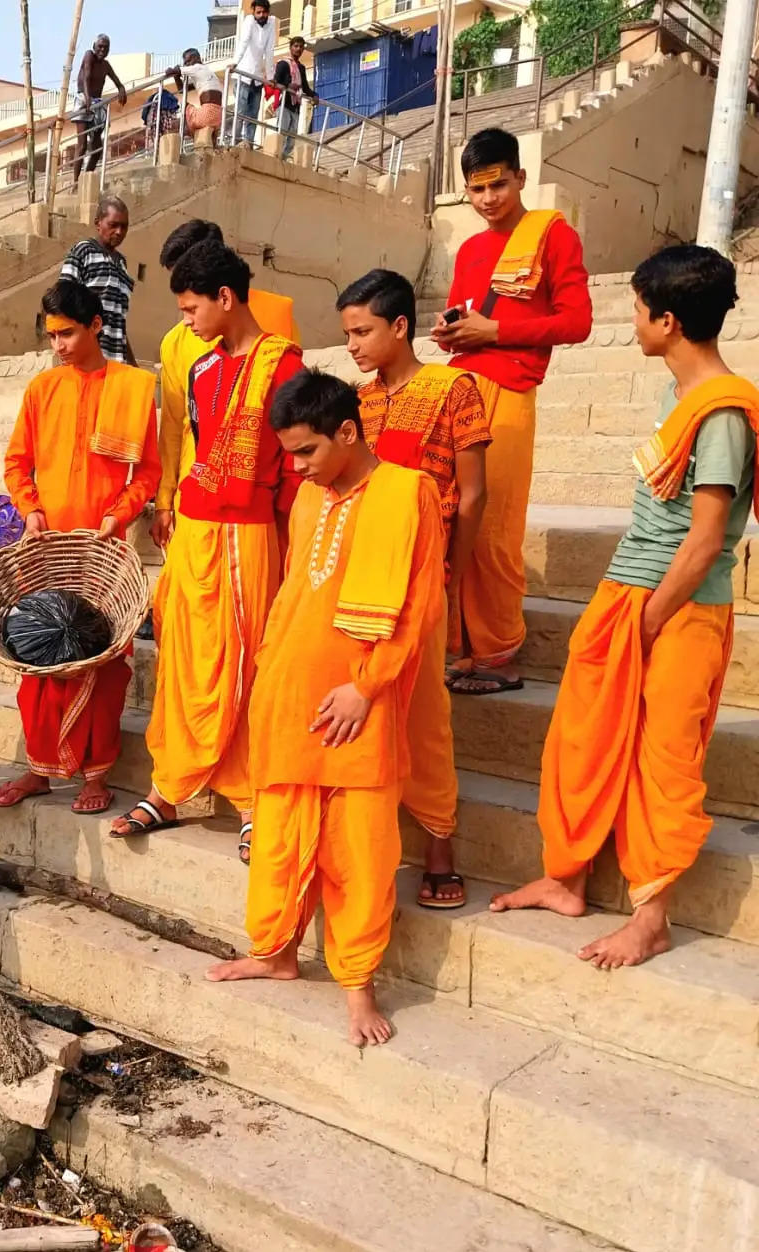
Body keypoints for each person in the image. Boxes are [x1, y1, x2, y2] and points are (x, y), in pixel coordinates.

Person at [491, 244, 759, 968]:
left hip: (680, 608)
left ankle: (652, 917)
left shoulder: (723, 413)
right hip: (629, 593)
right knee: (583, 732)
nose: (632, 321)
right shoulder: (681, 398)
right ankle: (566, 875)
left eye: (637, 310)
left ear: (668, 321)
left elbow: (705, 541)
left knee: (664, 759)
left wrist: (649, 618)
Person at [209, 370, 445, 1048]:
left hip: (357, 704)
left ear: (347, 432)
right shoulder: (310, 501)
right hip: (291, 696)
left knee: (358, 847)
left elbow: (420, 607)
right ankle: (277, 952)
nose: (297, 467)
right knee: (280, 832)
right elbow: (294, 595)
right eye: (288, 453)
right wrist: (268, 675)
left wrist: (366, 688)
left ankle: (358, 985)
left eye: (307, 451)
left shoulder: (409, 493)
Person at [108, 238, 301, 857]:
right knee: (184, 657)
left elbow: (295, 472)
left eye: (192, 309)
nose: (186, 322)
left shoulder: (285, 367)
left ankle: (249, 797)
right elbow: (193, 442)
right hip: (196, 529)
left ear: (225, 298)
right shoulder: (201, 368)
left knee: (245, 662)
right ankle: (171, 785)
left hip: (250, 533)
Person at [340, 268, 491, 909]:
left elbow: (474, 491)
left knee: (426, 717)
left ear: (400, 326)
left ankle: (437, 846)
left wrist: (452, 570)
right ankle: (364, 844)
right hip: (368, 579)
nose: (352, 345)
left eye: (363, 331)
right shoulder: (358, 401)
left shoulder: (455, 388)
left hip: (426, 574)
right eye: (347, 333)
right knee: (366, 710)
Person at [430, 127, 591, 695]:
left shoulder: (553, 236)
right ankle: (461, 645)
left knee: (493, 528)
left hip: (512, 395)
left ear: (521, 178)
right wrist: (451, 333)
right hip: (461, 389)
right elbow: (463, 322)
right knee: (453, 519)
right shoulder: (470, 249)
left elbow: (577, 322)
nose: (489, 197)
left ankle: (499, 652)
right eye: (476, 189)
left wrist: (494, 330)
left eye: (499, 183)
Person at [0, 279, 160, 815]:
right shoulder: (42, 390)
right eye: (52, 336)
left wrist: (119, 515)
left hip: (104, 553)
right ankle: (40, 770)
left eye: (67, 333)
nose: (59, 344)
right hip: (45, 550)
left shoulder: (133, 387)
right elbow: (17, 463)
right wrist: (32, 510)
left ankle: (96, 774)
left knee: (105, 663)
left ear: (96, 327)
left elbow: (149, 471)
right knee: (36, 657)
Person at [61, 196, 136, 363]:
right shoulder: (83, 251)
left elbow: (118, 321)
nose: (119, 232)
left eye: (124, 226)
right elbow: (62, 302)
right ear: (98, 223)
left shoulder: (122, 265)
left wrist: (132, 363)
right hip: (86, 360)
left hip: (115, 364)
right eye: (113, 225)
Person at [75, 35, 127, 179]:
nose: (102, 49)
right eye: (100, 46)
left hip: (97, 103)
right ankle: (75, 182)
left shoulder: (106, 65)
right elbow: (86, 75)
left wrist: (122, 90)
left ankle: (86, 178)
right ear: (94, 45)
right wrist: (87, 97)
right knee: (82, 145)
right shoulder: (88, 55)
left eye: (106, 47)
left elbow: (118, 82)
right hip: (83, 100)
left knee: (97, 148)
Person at [229, 0, 277, 149]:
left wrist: (270, 77)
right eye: (258, 12)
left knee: (253, 114)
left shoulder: (271, 23)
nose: (261, 15)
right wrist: (235, 63)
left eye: (264, 12)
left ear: (268, 12)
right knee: (240, 111)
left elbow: (269, 51)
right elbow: (243, 42)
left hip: (256, 77)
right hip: (243, 73)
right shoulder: (249, 21)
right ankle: (234, 142)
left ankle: (248, 144)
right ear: (254, 13)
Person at [271, 37, 317, 160]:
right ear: (290, 47)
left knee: (292, 138)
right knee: (281, 133)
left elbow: (305, 87)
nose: (298, 49)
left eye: (301, 47)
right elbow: (275, 82)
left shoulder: (301, 68)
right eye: (296, 46)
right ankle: (276, 157)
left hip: (296, 106)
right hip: (285, 104)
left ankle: (283, 159)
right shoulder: (283, 64)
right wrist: (287, 86)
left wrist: (315, 96)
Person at [168, 48, 224, 142]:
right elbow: (182, 89)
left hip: (207, 116)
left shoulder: (197, 68)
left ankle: (184, 138)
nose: (186, 65)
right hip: (218, 118)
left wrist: (173, 70)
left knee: (184, 106)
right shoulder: (207, 71)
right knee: (193, 110)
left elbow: (172, 71)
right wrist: (176, 76)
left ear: (195, 58)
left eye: (187, 62)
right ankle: (208, 139)